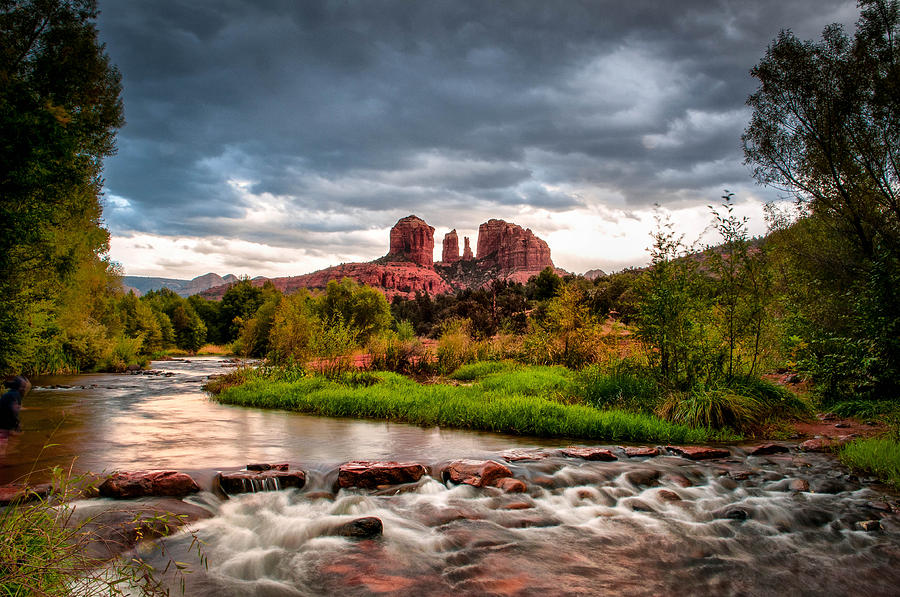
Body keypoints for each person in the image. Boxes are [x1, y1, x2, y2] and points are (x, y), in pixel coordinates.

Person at [0, 375, 30, 456]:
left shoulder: (10, 393)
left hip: (3, 426)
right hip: (3, 428)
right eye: (25, 388)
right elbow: (13, 410)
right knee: (2, 451)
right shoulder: (16, 395)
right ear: (21, 388)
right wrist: (16, 426)